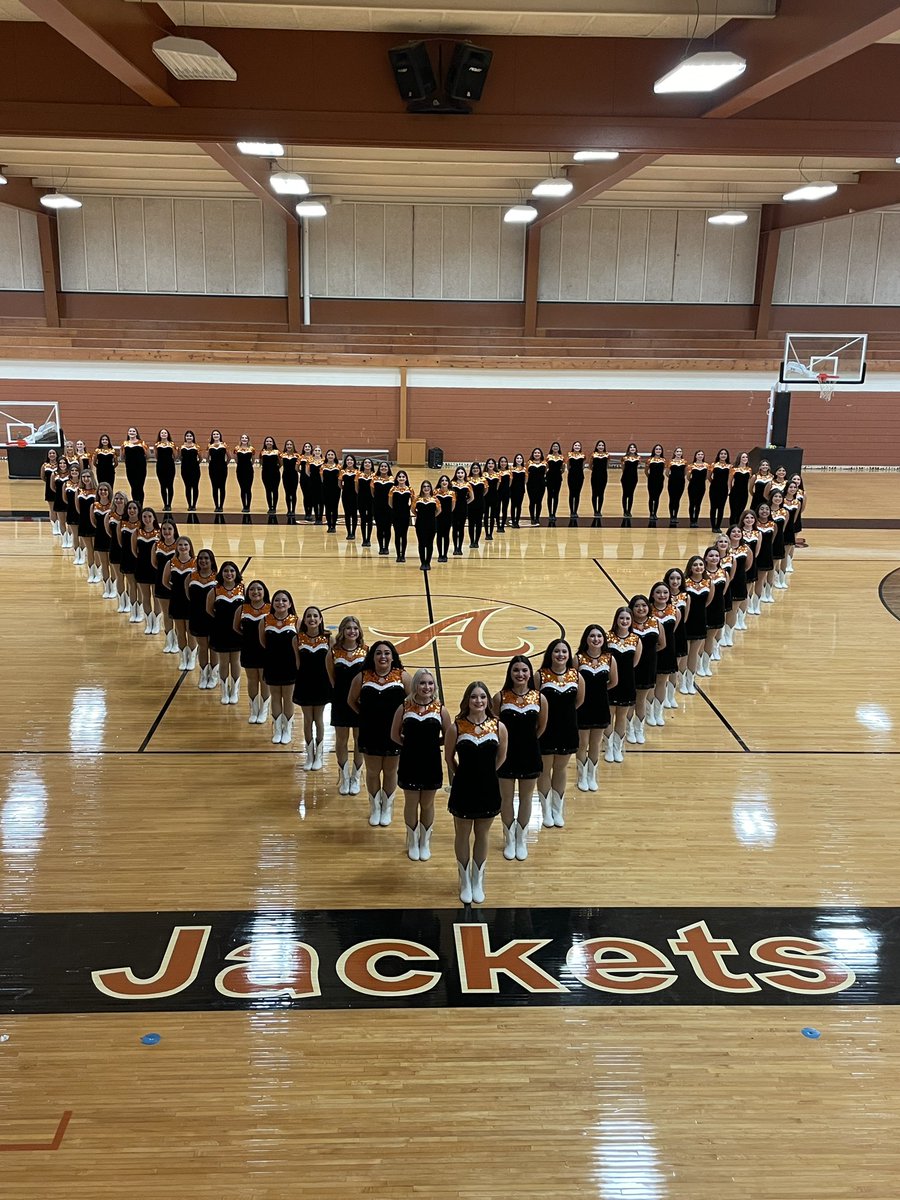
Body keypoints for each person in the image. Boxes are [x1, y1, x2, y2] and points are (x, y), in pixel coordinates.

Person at [446, 681, 508, 905]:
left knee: (482, 834)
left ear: (488, 701)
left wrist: (489, 774)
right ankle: (464, 880)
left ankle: (477, 879)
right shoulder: (457, 727)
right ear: (467, 701)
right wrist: (461, 775)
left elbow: (502, 756)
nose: (478, 701)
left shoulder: (499, 726)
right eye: (474, 697)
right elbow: (449, 757)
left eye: (482, 697)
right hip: (464, 787)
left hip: (489, 788)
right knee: (462, 834)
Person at [348, 641, 412, 827]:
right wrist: (366, 715)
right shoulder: (362, 677)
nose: (383, 656)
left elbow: (412, 702)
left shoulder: (402, 676)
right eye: (378, 653)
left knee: (391, 771)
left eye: (387, 653)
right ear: (372, 657)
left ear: (393, 656)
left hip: (394, 732)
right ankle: (375, 807)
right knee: (373, 771)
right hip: (370, 731)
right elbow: (351, 700)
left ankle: (387, 807)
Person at [391, 668, 451, 862]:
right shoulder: (404, 707)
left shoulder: (440, 709)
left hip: (431, 762)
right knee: (411, 802)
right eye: (422, 683)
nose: (427, 687)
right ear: (415, 685)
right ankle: (412, 839)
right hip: (409, 761)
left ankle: (424, 841)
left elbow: (449, 737)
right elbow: (394, 735)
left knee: (427, 803)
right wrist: (410, 746)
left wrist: (432, 745)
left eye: (430, 683)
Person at [493, 655, 548, 860]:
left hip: (530, 753)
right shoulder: (500, 697)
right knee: (506, 799)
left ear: (529, 673)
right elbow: (494, 727)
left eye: (524, 670)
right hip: (506, 755)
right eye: (516, 670)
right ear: (510, 673)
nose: (520, 674)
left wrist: (529, 742)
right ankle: (509, 838)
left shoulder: (539, 698)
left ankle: (521, 838)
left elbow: (541, 727)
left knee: (526, 798)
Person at [535, 638, 584, 828]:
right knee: (545, 770)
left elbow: (579, 701)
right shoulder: (540, 675)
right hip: (546, 729)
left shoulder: (576, 676)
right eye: (556, 651)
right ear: (550, 654)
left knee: (561, 769)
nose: (560, 655)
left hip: (567, 728)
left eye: (564, 651)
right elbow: (534, 701)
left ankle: (557, 809)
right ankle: (546, 811)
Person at [326, 614, 366, 794]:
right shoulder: (334, 651)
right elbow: (332, 677)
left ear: (359, 631)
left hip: (360, 702)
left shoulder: (366, 651)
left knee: (359, 740)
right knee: (341, 740)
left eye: (355, 628)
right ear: (342, 631)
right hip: (341, 701)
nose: (352, 631)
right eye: (348, 628)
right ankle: (343, 776)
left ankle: (356, 777)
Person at [575, 626, 616, 793]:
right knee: (582, 743)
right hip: (583, 707)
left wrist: (599, 692)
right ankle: (581, 776)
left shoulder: (609, 659)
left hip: (600, 705)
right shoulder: (578, 659)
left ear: (603, 640)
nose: (596, 639)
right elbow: (573, 683)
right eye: (592, 636)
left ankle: (592, 775)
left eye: (599, 636)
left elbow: (613, 681)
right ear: (586, 639)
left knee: (595, 743)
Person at [293, 605, 333, 769]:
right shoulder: (297, 639)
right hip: (305, 682)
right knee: (307, 719)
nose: (312, 619)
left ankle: (319, 756)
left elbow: (331, 664)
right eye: (309, 616)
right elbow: (297, 662)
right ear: (305, 620)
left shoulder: (329, 639)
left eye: (315, 616)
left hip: (322, 683)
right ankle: (309, 755)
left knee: (319, 719)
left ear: (320, 619)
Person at [260, 589, 299, 744]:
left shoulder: (296, 621)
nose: (280, 603)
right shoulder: (265, 620)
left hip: (289, 665)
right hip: (272, 663)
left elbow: (300, 644)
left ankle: (287, 729)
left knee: (288, 698)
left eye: (284, 600)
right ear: (272, 603)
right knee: (275, 697)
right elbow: (263, 641)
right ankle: (277, 729)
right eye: (277, 600)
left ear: (289, 603)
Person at [606, 607, 641, 762]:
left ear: (631, 621)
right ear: (616, 620)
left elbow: (634, 663)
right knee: (609, 716)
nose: (624, 621)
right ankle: (607, 747)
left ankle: (617, 748)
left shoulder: (636, 639)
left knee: (621, 717)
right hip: (611, 683)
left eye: (627, 619)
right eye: (621, 618)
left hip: (627, 683)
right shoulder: (607, 637)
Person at [206, 560, 245, 704]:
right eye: (226, 571)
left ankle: (234, 691)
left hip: (237, 631)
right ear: (221, 573)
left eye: (232, 571)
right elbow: (209, 609)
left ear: (236, 573)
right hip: (220, 630)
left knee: (235, 661)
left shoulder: (243, 589)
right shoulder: (215, 590)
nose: (229, 574)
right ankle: (224, 691)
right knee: (223, 662)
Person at [629, 594, 665, 742]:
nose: (641, 608)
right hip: (630, 669)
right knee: (630, 700)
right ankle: (629, 729)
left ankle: (639, 729)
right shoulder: (627, 624)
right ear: (632, 609)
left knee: (641, 700)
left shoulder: (656, 623)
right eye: (637, 606)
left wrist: (648, 655)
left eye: (643, 605)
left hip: (648, 667)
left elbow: (662, 644)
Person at [235, 580, 270, 723]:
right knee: (252, 680)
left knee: (264, 680)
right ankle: (254, 710)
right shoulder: (242, 608)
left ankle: (264, 710)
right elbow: (236, 627)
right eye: (252, 589)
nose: (255, 592)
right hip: (248, 649)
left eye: (259, 589)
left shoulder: (270, 609)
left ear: (264, 592)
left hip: (265, 651)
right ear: (248, 592)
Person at [162, 536, 196, 670]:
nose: (183, 547)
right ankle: (183, 658)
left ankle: (192, 657)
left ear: (190, 547)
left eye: (185, 545)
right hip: (176, 601)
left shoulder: (195, 563)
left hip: (190, 602)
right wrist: (176, 591)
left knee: (190, 631)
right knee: (180, 631)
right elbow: (165, 581)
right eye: (180, 545)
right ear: (177, 547)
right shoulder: (171, 562)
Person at [189, 548, 219, 688]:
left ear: (212, 560)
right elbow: (187, 594)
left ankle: (213, 675)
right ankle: (203, 674)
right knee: (202, 646)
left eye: (206, 558)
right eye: (200, 558)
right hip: (197, 616)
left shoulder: (218, 578)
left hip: (213, 618)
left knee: (213, 647)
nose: (203, 561)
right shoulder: (192, 576)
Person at [649, 582, 678, 725]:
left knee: (662, 682)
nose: (662, 595)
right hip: (650, 653)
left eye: (665, 593)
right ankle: (647, 714)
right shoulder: (646, 611)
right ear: (652, 594)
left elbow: (674, 629)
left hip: (668, 651)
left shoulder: (674, 610)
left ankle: (657, 713)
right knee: (649, 684)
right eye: (658, 592)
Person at [151, 515, 179, 653]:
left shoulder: (180, 546)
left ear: (174, 530)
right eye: (164, 529)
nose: (167, 532)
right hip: (161, 583)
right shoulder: (157, 545)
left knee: (177, 616)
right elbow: (154, 563)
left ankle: (180, 643)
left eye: (169, 529)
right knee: (166, 614)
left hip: (176, 586)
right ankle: (169, 641)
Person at [682, 554, 711, 689]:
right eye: (695, 565)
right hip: (687, 621)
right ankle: (681, 682)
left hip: (701, 619)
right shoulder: (685, 583)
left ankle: (690, 681)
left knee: (694, 652)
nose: (698, 567)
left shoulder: (708, 582)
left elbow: (708, 601)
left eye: (700, 564)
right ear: (690, 567)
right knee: (685, 653)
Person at [700, 546, 728, 677]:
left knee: (710, 638)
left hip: (717, 608)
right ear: (705, 558)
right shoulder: (701, 573)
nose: (714, 558)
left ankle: (706, 664)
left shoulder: (723, 573)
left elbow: (723, 591)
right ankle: (698, 665)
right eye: (711, 556)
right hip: (703, 609)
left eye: (716, 556)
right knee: (701, 639)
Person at [132, 507, 161, 635]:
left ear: (154, 518)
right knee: (145, 596)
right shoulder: (137, 532)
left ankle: (157, 623)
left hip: (155, 568)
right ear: (141, 519)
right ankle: (149, 622)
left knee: (156, 597)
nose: (147, 519)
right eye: (144, 517)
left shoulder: (159, 533)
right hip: (141, 567)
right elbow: (134, 550)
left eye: (150, 516)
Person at [664, 567, 689, 702]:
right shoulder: (662, 595)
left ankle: (670, 696)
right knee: (665, 670)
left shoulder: (686, 596)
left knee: (675, 668)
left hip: (679, 635)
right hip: (666, 637)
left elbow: (685, 617)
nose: (675, 581)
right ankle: (662, 697)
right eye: (672, 578)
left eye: (678, 578)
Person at [726, 523, 753, 631]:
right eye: (733, 531)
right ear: (729, 534)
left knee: (735, 606)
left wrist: (739, 574)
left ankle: (730, 631)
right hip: (726, 580)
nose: (736, 534)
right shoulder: (724, 548)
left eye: (738, 532)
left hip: (740, 579)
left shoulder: (745, 548)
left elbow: (748, 565)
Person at [118, 498, 141, 619]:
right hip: (127, 557)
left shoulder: (142, 524)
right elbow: (120, 541)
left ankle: (141, 610)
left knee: (141, 586)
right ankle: (133, 611)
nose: (132, 510)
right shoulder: (122, 523)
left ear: (138, 510)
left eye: (134, 508)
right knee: (132, 584)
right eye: (130, 508)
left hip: (141, 560)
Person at [75, 469, 99, 582]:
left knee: (96, 549)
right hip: (83, 522)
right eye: (83, 477)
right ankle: (91, 572)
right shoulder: (79, 491)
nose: (85, 479)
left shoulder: (96, 491)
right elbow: (78, 508)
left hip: (94, 523)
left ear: (91, 478)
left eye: (88, 476)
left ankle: (99, 572)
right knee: (89, 549)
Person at [91, 481, 114, 598]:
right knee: (104, 564)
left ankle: (114, 588)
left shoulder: (113, 506)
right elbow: (93, 522)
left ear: (109, 492)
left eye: (105, 490)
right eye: (101, 490)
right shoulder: (94, 506)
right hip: (99, 536)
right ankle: (107, 588)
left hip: (110, 537)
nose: (103, 492)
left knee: (112, 564)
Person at [105, 492, 128, 611]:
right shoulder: (110, 515)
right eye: (117, 498)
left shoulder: (129, 515)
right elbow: (108, 531)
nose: (119, 500)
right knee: (119, 577)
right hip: (114, 547)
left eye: (121, 499)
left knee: (129, 579)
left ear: (125, 500)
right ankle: (121, 602)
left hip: (128, 550)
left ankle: (129, 602)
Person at [740, 509, 762, 616]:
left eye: (752, 517)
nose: (749, 520)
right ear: (743, 519)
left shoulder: (758, 533)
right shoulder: (738, 531)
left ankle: (748, 606)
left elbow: (756, 551)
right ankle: (740, 610)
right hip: (739, 565)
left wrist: (750, 562)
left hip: (752, 563)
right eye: (747, 517)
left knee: (749, 586)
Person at [754, 501, 776, 605]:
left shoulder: (773, 524)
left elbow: (773, 539)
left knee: (762, 578)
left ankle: (757, 602)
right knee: (751, 581)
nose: (764, 511)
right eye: (762, 509)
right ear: (757, 511)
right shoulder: (753, 524)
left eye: (767, 509)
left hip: (766, 554)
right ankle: (748, 603)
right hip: (754, 556)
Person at [389, 470, 413, 563]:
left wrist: (408, 509)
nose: (401, 478)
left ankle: (403, 555)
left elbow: (413, 502)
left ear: (406, 478)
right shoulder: (393, 489)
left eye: (403, 477)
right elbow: (390, 503)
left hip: (405, 514)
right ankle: (398, 555)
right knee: (397, 534)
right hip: (396, 514)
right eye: (400, 477)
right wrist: (395, 510)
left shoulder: (409, 489)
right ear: (397, 478)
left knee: (404, 535)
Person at [414, 479, 437, 571]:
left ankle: (428, 562)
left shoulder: (435, 499)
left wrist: (430, 517)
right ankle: (422, 562)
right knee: (421, 543)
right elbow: (413, 510)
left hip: (431, 524)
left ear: (430, 488)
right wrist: (420, 516)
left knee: (430, 543)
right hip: (420, 524)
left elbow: (439, 511)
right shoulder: (417, 499)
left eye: (428, 486)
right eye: (424, 486)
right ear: (421, 488)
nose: (426, 488)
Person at [122, 427, 148, 505]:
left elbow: (148, 455)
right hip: (130, 468)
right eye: (130, 431)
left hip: (141, 468)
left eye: (133, 431)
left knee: (140, 487)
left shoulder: (142, 443)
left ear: (136, 433)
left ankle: (141, 504)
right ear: (128, 433)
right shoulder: (125, 444)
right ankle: (135, 504)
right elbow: (122, 457)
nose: (132, 432)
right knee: (133, 487)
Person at [373, 460, 394, 555]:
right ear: (379, 468)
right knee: (379, 528)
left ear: (388, 468)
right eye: (382, 466)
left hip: (389, 507)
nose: (383, 468)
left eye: (385, 466)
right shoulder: (375, 479)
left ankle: (387, 547)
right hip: (378, 507)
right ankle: (381, 547)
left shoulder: (392, 480)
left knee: (387, 528)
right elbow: (372, 492)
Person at [450, 467, 471, 555]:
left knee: (461, 528)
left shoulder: (467, 484)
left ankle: (460, 548)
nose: (460, 474)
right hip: (454, 509)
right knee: (455, 528)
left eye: (462, 473)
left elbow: (472, 497)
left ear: (464, 474)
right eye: (458, 473)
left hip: (463, 509)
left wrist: (465, 503)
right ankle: (455, 548)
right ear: (456, 474)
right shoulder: (452, 484)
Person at [708, 448, 731, 532]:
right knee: (713, 507)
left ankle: (718, 526)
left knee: (721, 508)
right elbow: (709, 476)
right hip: (714, 488)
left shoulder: (730, 466)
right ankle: (713, 526)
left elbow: (730, 478)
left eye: (725, 454)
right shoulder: (714, 465)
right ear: (719, 455)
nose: (723, 455)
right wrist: (714, 483)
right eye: (721, 453)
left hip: (723, 489)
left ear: (727, 456)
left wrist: (728, 488)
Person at [63, 461, 81, 560]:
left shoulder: (83, 484)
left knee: (81, 535)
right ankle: (77, 555)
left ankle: (82, 554)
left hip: (82, 513)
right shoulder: (66, 484)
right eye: (72, 470)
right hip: (71, 511)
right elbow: (65, 498)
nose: (74, 472)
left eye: (76, 470)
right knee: (75, 534)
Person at [770, 488, 789, 589]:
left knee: (776, 561)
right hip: (767, 540)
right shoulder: (766, 510)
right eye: (775, 496)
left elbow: (783, 528)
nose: (777, 498)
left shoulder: (784, 512)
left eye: (780, 497)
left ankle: (776, 579)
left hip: (778, 540)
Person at [155, 429, 177, 512]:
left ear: (168, 434)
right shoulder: (157, 444)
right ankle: (165, 504)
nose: (163, 434)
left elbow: (175, 456)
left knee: (170, 485)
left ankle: (169, 504)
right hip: (160, 466)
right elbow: (157, 456)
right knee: (163, 486)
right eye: (162, 433)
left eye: (165, 433)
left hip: (170, 466)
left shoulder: (172, 444)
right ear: (160, 435)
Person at [207, 430, 229, 513]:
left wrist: (224, 464)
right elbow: (207, 457)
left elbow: (229, 456)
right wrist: (212, 464)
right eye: (214, 434)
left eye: (217, 434)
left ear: (220, 435)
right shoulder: (210, 446)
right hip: (213, 468)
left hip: (222, 468)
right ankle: (216, 506)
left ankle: (221, 506)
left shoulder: (224, 445)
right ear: (212, 436)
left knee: (222, 486)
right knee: (214, 487)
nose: (215, 435)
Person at [434, 474, 454, 563]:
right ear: (439, 482)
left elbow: (453, 507)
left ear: (448, 482)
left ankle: (445, 555)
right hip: (438, 517)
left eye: (446, 480)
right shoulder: (435, 492)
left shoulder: (452, 493)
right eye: (442, 480)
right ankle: (439, 554)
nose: (444, 482)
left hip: (447, 517)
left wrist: (448, 514)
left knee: (446, 535)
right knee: (439, 535)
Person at [179, 430, 201, 511]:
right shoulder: (182, 447)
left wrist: (195, 463)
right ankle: (189, 504)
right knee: (187, 487)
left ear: (193, 437)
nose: (189, 437)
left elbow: (200, 458)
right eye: (187, 436)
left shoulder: (197, 447)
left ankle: (194, 505)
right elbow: (179, 457)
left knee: (195, 486)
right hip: (185, 469)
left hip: (195, 469)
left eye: (190, 436)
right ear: (185, 437)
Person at [729, 452, 752, 526]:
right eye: (743, 457)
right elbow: (729, 481)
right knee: (733, 512)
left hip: (744, 493)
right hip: (735, 493)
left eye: (746, 457)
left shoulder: (749, 469)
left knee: (741, 512)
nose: (745, 459)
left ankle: (738, 528)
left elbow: (749, 481)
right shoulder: (734, 469)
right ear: (739, 458)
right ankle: (731, 528)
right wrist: (730, 490)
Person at [526, 447, 547, 526]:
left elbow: (545, 473)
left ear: (541, 454)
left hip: (541, 485)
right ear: (533, 454)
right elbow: (526, 473)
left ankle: (537, 518)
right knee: (532, 501)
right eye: (535, 453)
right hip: (531, 485)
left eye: (538, 453)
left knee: (539, 502)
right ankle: (532, 518)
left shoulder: (544, 463)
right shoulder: (529, 463)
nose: (537, 454)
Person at [322, 449, 341, 534]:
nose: (330, 456)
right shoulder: (323, 467)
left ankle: (334, 525)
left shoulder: (338, 467)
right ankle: (329, 525)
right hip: (326, 489)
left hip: (336, 490)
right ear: (326, 456)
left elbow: (340, 479)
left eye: (332, 454)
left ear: (334, 456)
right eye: (328, 454)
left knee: (334, 507)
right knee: (328, 508)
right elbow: (321, 479)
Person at [645, 444, 665, 525]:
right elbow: (646, 471)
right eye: (656, 449)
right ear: (654, 450)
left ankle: (655, 513)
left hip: (660, 480)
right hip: (651, 480)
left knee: (657, 497)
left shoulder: (663, 460)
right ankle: (651, 513)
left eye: (660, 449)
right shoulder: (650, 460)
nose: (658, 450)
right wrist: (650, 477)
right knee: (651, 497)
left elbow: (664, 470)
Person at [234, 433, 255, 513]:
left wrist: (248, 465)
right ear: (240, 440)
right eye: (242, 438)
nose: (244, 439)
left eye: (246, 438)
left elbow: (253, 460)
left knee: (248, 488)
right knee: (242, 488)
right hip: (240, 470)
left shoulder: (251, 449)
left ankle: (248, 506)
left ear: (248, 440)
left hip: (249, 470)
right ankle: (244, 506)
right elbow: (236, 459)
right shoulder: (237, 448)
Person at [666, 447, 687, 527]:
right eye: (677, 451)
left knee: (677, 499)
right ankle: (671, 516)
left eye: (680, 451)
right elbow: (667, 473)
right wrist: (673, 478)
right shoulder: (670, 462)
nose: (679, 453)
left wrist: (680, 477)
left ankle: (675, 516)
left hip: (681, 483)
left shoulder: (684, 462)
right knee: (672, 499)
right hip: (672, 483)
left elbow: (685, 473)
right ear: (674, 453)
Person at [357, 458, 375, 547]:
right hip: (361, 499)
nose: (367, 464)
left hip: (371, 500)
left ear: (371, 465)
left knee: (370, 519)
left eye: (369, 462)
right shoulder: (359, 475)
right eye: (365, 462)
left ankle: (369, 539)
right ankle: (364, 539)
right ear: (363, 464)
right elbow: (356, 488)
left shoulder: (375, 476)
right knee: (363, 519)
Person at [687, 450, 708, 528]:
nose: (700, 455)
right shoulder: (691, 465)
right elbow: (688, 477)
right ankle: (691, 520)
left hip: (701, 487)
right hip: (692, 486)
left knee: (698, 504)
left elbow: (707, 477)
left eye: (702, 454)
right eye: (698, 454)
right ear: (696, 456)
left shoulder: (706, 465)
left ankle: (696, 520)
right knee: (692, 503)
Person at [620, 442, 640, 522]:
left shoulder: (638, 458)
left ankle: (629, 511)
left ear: (635, 449)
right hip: (625, 478)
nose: (632, 448)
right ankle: (625, 511)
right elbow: (623, 468)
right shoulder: (624, 458)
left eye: (634, 447)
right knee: (625, 494)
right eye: (631, 447)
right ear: (628, 449)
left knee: (631, 494)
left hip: (634, 478)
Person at [260, 436, 281, 513]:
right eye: (267, 441)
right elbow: (261, 462)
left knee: (275, 490)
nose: (268, 443)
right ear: (265, 443)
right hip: (265, 474)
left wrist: (275, 468)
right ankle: (270, 507)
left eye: (270, 441)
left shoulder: (277, 452)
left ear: (273, 443)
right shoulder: (262, 452)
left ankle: (274, 507)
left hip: (275, 474)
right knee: (268, 490)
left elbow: (280, 463)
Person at [467, 461, 486, 547]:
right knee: (471, 523)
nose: (475, 470)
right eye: (474, 468)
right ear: (471, 469)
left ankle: (476, 541)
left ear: (479, 469)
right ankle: (471, 541)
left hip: (480, 504)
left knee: (478, 523)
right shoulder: (467, 479)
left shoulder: (483, 479)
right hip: (470, 504)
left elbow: (486, 491)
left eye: (477, 468)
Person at [341, 454, 359, 540]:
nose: (349, 461)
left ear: (354, 462)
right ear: (345, 461)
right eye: (348, 460)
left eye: (351, 460)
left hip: (355, 495)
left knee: (354, 514)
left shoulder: (358, 471)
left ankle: (354, 532)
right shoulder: (342, 471)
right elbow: (339, 484)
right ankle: (349, 532)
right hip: (345, 494)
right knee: (347, 514)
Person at [41, 448, 60, 533]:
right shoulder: (45, 465)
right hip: (49, 489)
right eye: (50, 453)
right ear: (48, 455)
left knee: (59, 509)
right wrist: (50, 483)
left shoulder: (60, 465)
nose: (52, 455)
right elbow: (43, 477)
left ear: (56, 454)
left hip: (59, 489)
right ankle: (54, 527)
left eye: (53, 453)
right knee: (52, 509)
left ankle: (60, 525)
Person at [545, 441, 564, 523]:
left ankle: (554, 513)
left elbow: (563, 469)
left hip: (558, 478)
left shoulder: (561, 457)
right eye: (554, 446)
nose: (555, 448)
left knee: (556, 495)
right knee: (549, 495)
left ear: (559, 448)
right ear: (551, 448)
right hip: (549, 478)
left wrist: (559, 473)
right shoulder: (548, 457)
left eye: (557, 446)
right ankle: (550, 513)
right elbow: (546, 468)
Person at [281, 439, 301, 519]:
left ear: (293, 446)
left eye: (290, 444)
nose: (289, 446)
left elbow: (297, 467)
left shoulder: (297, 456)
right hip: (285, 476)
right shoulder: (282, 455)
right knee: (287, 493)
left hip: (294, 476)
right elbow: (281, 464)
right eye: (287, 445)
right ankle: (289, 509)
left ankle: (293, 510)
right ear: (285, 446)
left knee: (293, 493)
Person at [590, 440, 609, 521]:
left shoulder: (607, 455)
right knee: (594, 493)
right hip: (595, 476)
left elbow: (607, 465)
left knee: (601, 493)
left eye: (602, 445)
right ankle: (595, 510)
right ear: (596, 447)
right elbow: (590, 466)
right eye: (599, 445)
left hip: (603, 476)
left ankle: (599, 510)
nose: (601, 447)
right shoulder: (593, 455)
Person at [566, 441, 585, 518]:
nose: (577, 447)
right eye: (575, 445)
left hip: (580, 476)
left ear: (580, 447)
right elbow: (568, 466)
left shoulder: (583, 455)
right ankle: (571, 511)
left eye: (578, 445)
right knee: (571, 493)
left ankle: (575, 511)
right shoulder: (569, 455)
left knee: (577, 494)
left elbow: (583, 466)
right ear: (573, 447)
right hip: (571, 476)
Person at [306, 445, 325, 525]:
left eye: (319, 450)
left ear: (321, 452)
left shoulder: (324, 461)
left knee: (321, 501)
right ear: (313, 452)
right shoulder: (310, 461)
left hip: (321, 483)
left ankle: (320, 517)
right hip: (313, 482)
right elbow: (307, 472)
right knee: (314, 500)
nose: (317, 452)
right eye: (316, 450)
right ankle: (316, 517)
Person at [509, 452, 527, 529]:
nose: (519, 459)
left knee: (519, 505)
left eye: (520, 458)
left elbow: (526, 480)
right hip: (513, 489)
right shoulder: (511, 469)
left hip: (521, 489)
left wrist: (522, 487)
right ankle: (513, 521)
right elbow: (510, 480)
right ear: (515, 460)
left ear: (522, 460)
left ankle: (517, 521)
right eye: (517, 458)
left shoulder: (524, 469)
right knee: (513, 505)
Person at [483, 458, 500, 540]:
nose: (490, 465)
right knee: (486, 515)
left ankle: (491, 534)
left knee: (492, 515)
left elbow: (497, 486)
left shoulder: (497, 474)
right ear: (487, 465)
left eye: (492, 463)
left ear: (494, 465)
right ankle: (487, 533)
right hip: (485, 497)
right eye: (489, 463)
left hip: (494, 497)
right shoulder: (483, 474)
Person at [299, 442, 315, 521]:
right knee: (305, 496)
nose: (307, 448)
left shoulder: (314, 457)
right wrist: (302, 473)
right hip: (303, 479)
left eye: (309, 446)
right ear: (304, 448)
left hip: (312, 479)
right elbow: (297, 468)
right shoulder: (300, 457)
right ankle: (307, 513)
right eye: (306, 446)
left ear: (311, 448)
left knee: (311, 495)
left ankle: (310, 512)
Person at [496, 455, 511, 531]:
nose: (503, 463)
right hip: (498, 493)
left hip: (506, 493)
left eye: (505, 461)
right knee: (497, 509)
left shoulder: (509, 472)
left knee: (504, 509)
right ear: (499, 463)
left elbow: (510, 483)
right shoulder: (496, 472)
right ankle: (498, 525)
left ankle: (502, 526)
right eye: (502, 461)